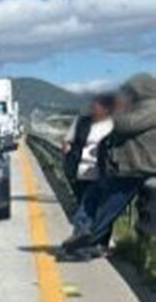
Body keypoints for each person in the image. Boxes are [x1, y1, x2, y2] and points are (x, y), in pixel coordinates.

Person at [62, 74, 156, 257]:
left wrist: (114, 113)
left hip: (136, 166)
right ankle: (84, 238)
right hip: (128, 165)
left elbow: (125, 125)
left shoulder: (151, 107)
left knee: (107, 206)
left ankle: (87, 240)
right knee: (96, 198)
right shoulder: (140, 107)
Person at [62, 94, 115, 250]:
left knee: (101, 208)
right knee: (83, 206)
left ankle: (101, 243)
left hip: (102, 172)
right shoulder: (81, 121)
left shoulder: (114, 124)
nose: (94, 108)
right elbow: (67, 141)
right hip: (81, 172)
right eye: (93, 105)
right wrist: (69, 155)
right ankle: (84, 241)